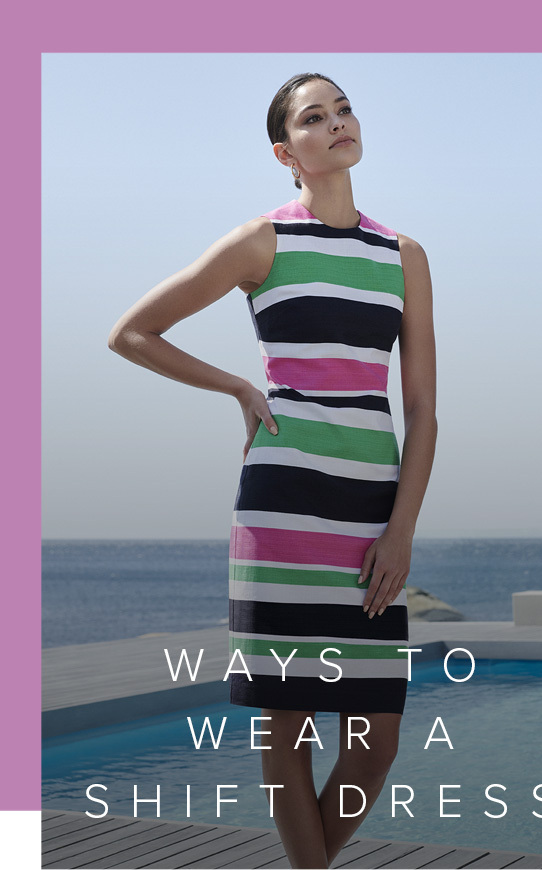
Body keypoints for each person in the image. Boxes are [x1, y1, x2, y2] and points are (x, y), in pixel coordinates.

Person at [108, 72, 437, 870]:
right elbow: (133, 332)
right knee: (284, 726)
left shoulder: (403, 255)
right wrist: (237, 385)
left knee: (376, 745)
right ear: (288, 153)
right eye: (315, 118)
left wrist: (400, 533)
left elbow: (423, 410)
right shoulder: (263, 241)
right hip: (281, 509)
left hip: (370, 517)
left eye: (345, 108)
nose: (338, 123)